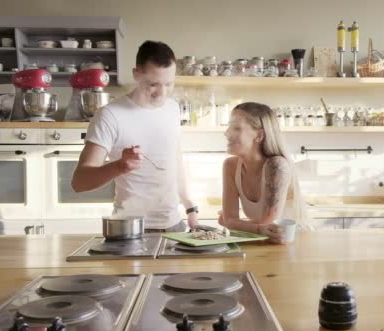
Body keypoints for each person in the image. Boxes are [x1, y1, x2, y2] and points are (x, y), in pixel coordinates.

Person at [72, 40, 198, 232]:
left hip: (175, 226)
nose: (162, 93)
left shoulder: (172, 108)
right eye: (153, 84)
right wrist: (119, 166)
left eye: (169, 84)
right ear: (136, 74)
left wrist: (190, 207)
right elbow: (79, 182)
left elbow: (175, 159)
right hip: (131, 229)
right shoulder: (110, 116)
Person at [218, 102, 308, 243]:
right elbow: (231, 221)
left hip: (294, 243)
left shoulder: (277, 166)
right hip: (263, 242)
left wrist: (238, 224)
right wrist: (248, 226)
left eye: (236, 127)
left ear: (259, 135)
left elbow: (269, 227)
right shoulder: (230, 166)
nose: (227, 133)